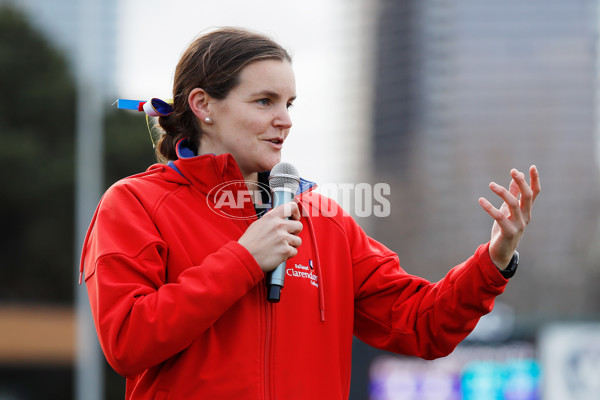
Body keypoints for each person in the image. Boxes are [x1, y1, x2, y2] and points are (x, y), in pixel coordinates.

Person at [79, 27, 541, 399]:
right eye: (264, 101)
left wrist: (494, 260)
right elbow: (128, 340)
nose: (285, 120)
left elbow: (423, 326)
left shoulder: (325, 220)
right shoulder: (135, 203)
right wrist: (243, 260)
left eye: (289, 103)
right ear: (203, 106)